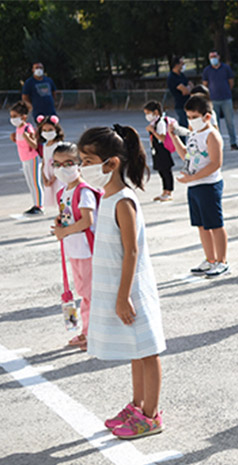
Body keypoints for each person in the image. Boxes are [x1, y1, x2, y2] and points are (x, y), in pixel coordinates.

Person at [77, 125, 166, 439]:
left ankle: (151, 416)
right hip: (122, 289)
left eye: (87, 161)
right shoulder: (108, 196)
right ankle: (137, 405)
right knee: (135, 350)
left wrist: (122, 296)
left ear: (111, 163)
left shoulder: (123, 201)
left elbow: (131, 251)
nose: (82, 168)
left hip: (131, 291)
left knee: (147, 351)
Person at [168, 95, 230, 278]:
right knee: (201, 225)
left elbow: (215, 163)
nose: (191, 120)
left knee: (215, 225)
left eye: (194, 117)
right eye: (188, 117)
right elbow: (186, 155)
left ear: (207, 116)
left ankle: (222, 262)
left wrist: (193, 177)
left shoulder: (212, 135)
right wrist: (173, 137)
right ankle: (210, 259)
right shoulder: (193, 134)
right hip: (194, 185)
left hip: (208, 185)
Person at [52, 142, 99, 351]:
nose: (62, 168)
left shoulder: (84, 190)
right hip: (74, 249)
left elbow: (87, 221)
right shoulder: (63, 192)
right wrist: (60, 224)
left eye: (68, 163)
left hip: (88, 250)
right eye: (57, 164)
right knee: (83, 291)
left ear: (79, 164)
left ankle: (90, 333)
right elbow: (69, 216)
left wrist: (65, 231)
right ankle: (88, 331)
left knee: (89, 293)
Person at [10, 101, 44, 215]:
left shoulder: (27, 128)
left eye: (15, 116)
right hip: (24, 159)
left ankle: (39, 206)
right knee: (30, 183)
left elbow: (34, 145)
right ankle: (35, 204)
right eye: (11, 116)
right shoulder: (18, 129)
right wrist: (14, 139)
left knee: (35, 182)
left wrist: (26, 137)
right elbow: (22, 145)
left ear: (23, 117)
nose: (12, 119)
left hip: (32, 158)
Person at [202, 50, 238, 150]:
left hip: (226, 98)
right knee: (215, 123)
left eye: (214, 56)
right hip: (213, 100)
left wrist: (227, 90)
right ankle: (217, 143)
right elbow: (205, 84)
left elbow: (231, 82)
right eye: (211, 57)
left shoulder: (226, 68)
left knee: (229, 122)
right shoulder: (207, 70)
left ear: (218, 57)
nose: (213, 58)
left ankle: (233, 142)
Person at [143, 101, 177, 202]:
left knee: (166, 171)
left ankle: (169, 192)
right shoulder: (154, 122)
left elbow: (162, 138)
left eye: (148, 113)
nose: (147, 116)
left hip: (163, 150)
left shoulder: (160, 122)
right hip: (157, 150)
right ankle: (164, 191)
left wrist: (152, 131)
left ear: (156, 112)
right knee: (161, 171)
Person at [36, 114, 66, 209]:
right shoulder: (45, 145)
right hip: (48, 174)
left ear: (56, 130)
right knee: (53, 196)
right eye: (44, 130)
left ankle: (64, 213)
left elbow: (60, 163)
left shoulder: (58, 145)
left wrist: (53, 178)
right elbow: (44, 161)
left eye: (50, 130)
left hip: (57, 175)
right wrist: (44, 177)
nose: (47, 133)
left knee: (61, 195)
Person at [166, 57, 191, 129]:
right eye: (182, 64)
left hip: (188, 104)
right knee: (184, 126)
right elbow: (185, 91)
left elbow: (190, 84)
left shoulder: (181, 75)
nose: (183, 65)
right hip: (181, 105)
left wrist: (188, 88)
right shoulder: (172, 77)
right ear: (177, 65)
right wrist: (187, 88)